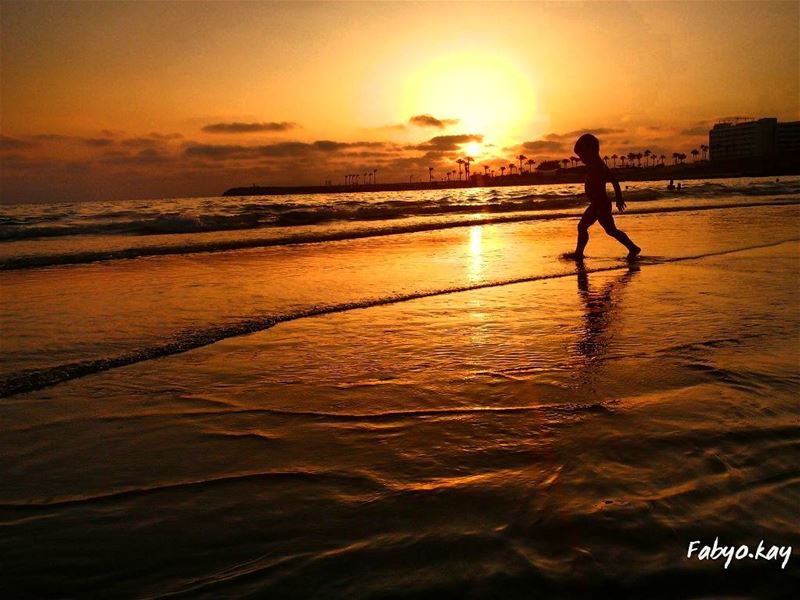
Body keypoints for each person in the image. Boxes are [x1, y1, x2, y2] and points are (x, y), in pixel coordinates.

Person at [565, 133, 641, 259]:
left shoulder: (598, 166)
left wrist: (619, 198)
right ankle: (632, 247)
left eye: (582, 155)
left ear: (590, 151)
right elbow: (614, 181)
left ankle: (579, 253)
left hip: (600, 204)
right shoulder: (595, 164)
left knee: (584, 227)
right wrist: (618, 198)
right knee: (610, 230)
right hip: (599, 203)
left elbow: (614, 180)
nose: (581, 159)